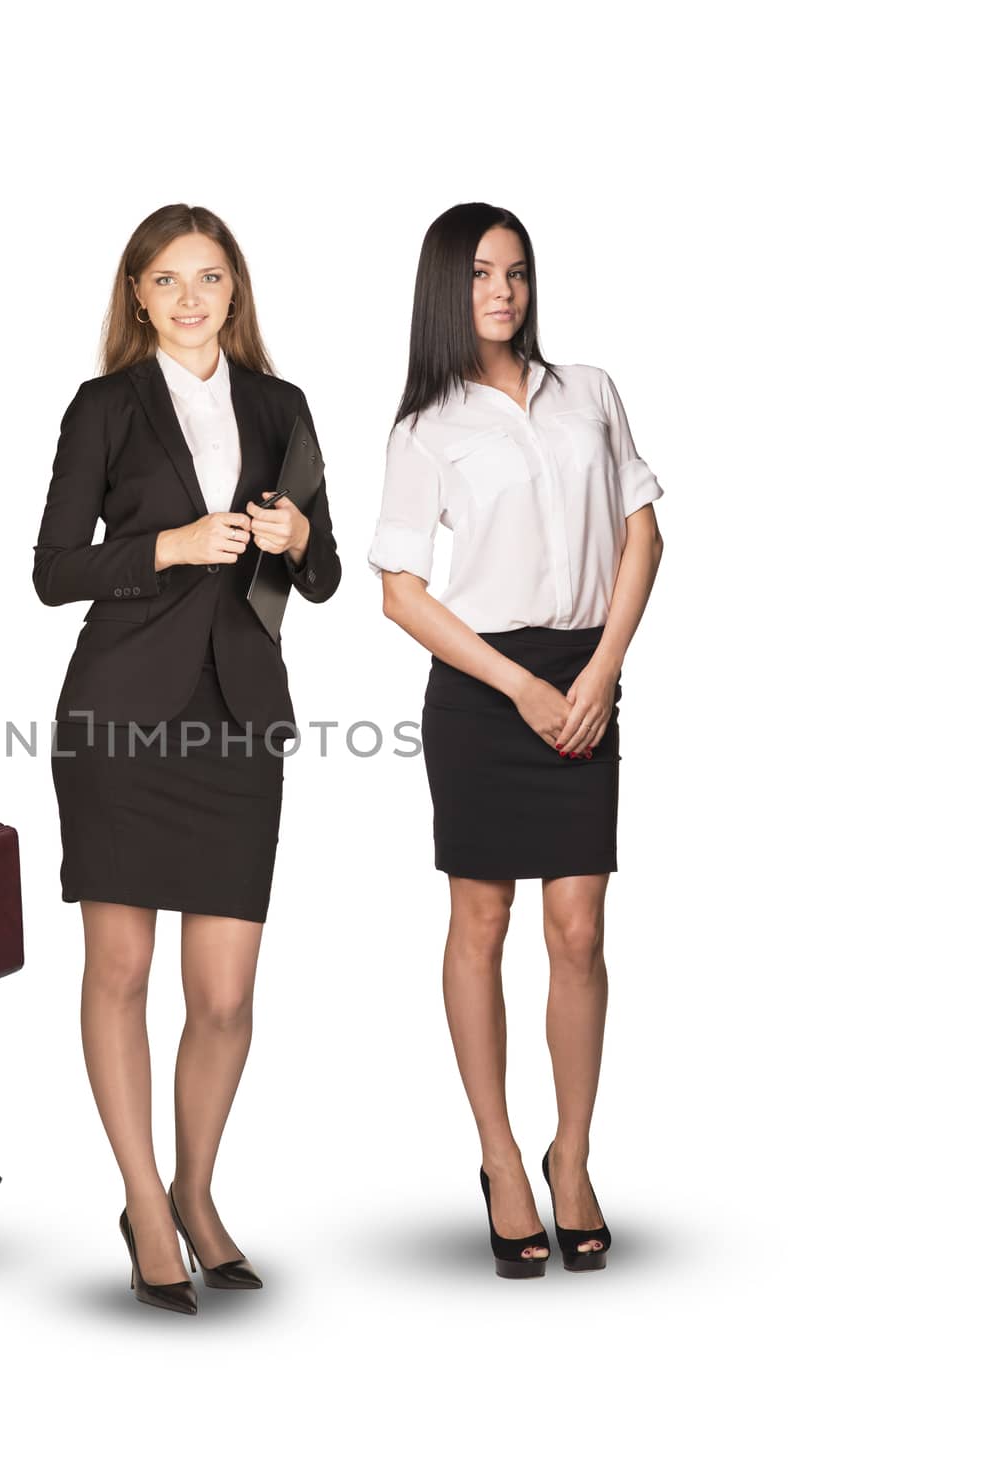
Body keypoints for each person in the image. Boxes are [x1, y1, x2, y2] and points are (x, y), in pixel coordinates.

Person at [33, 203, 340, 1313]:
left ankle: (194, 1189)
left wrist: (298, 539)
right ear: (138, 296)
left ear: (235, 291)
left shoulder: (281, 405)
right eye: (168, 279)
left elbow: (325, 573)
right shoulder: (105, 406)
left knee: (223, 996)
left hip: (238, 720)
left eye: (210, 277)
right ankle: (143, 1203)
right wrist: (166, 545)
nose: (192, 296)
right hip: (118, 718)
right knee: (119, 974)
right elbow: (54, 567)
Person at [369, 203, 664, 1277]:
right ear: (446, 288)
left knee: (577, 927)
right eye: (481, 273)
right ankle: (499, 1157)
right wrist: (518, 687)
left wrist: (597, 672)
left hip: (586, 673)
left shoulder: (588, 391)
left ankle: (571, 1156)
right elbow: (400, 592)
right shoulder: (423, 428)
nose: (501, 291)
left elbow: (642, 533)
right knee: (480, 918)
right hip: (483, 688)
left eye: (517, 272)